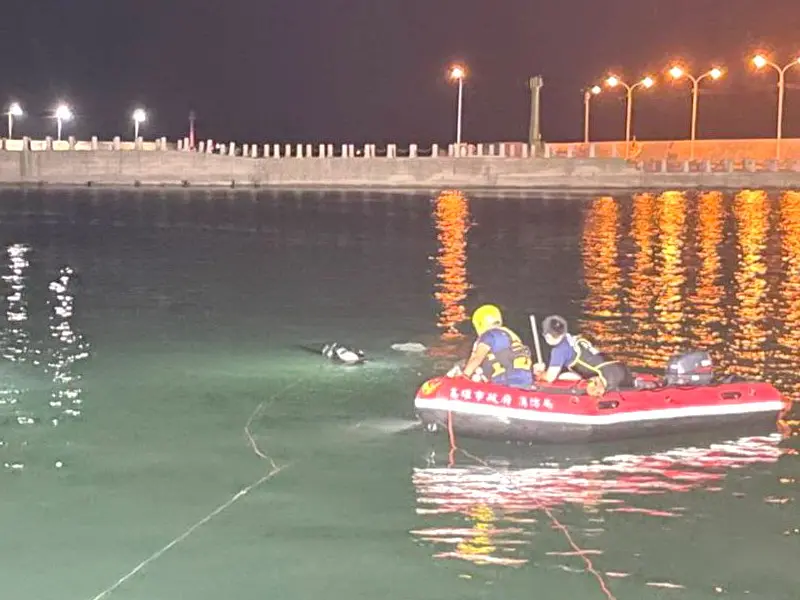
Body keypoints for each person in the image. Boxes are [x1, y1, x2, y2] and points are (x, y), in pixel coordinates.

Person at [533, 315, 632, 396]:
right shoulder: (574, 340)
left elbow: (550, 377)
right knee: (564, 376)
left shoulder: (559, 351)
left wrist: (540, 373)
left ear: (548, 336)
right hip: (622, 370)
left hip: (607, 379)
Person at [451, 304, 533, 388]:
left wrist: (464, 377)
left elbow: (477, 358)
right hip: (525, 382)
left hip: (507, 382)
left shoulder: (489, 335)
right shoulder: (511, 335)